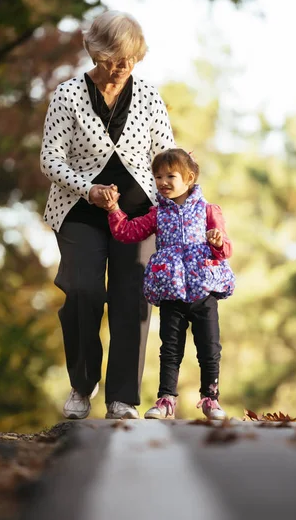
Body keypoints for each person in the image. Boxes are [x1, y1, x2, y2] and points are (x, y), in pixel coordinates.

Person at [40, 10, 175, 420]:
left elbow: (165, 153)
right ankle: (82, 384)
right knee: (82, 290)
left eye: (127, 61)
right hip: (79, 211)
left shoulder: (149, 96)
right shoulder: (68, 96)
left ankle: (122, 397)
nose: (118, 69)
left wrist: (183, 187)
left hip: (137, 215)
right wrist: (89, 189)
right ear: (92, 51)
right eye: (110, 60)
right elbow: (50, 160)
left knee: (131, 298)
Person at [104, 148, 235, 420]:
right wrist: (114, 209)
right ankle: (166, 400)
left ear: (189, 178)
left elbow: (225, 250)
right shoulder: (157, 214)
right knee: (170, 349)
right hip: (171, 292)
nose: (162, 182)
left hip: (203, 292)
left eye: (170, 176)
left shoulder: (209, 211)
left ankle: (210, 398)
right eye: (158, 176)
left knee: (209, 348)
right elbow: (127, 232)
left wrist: (217, 242)